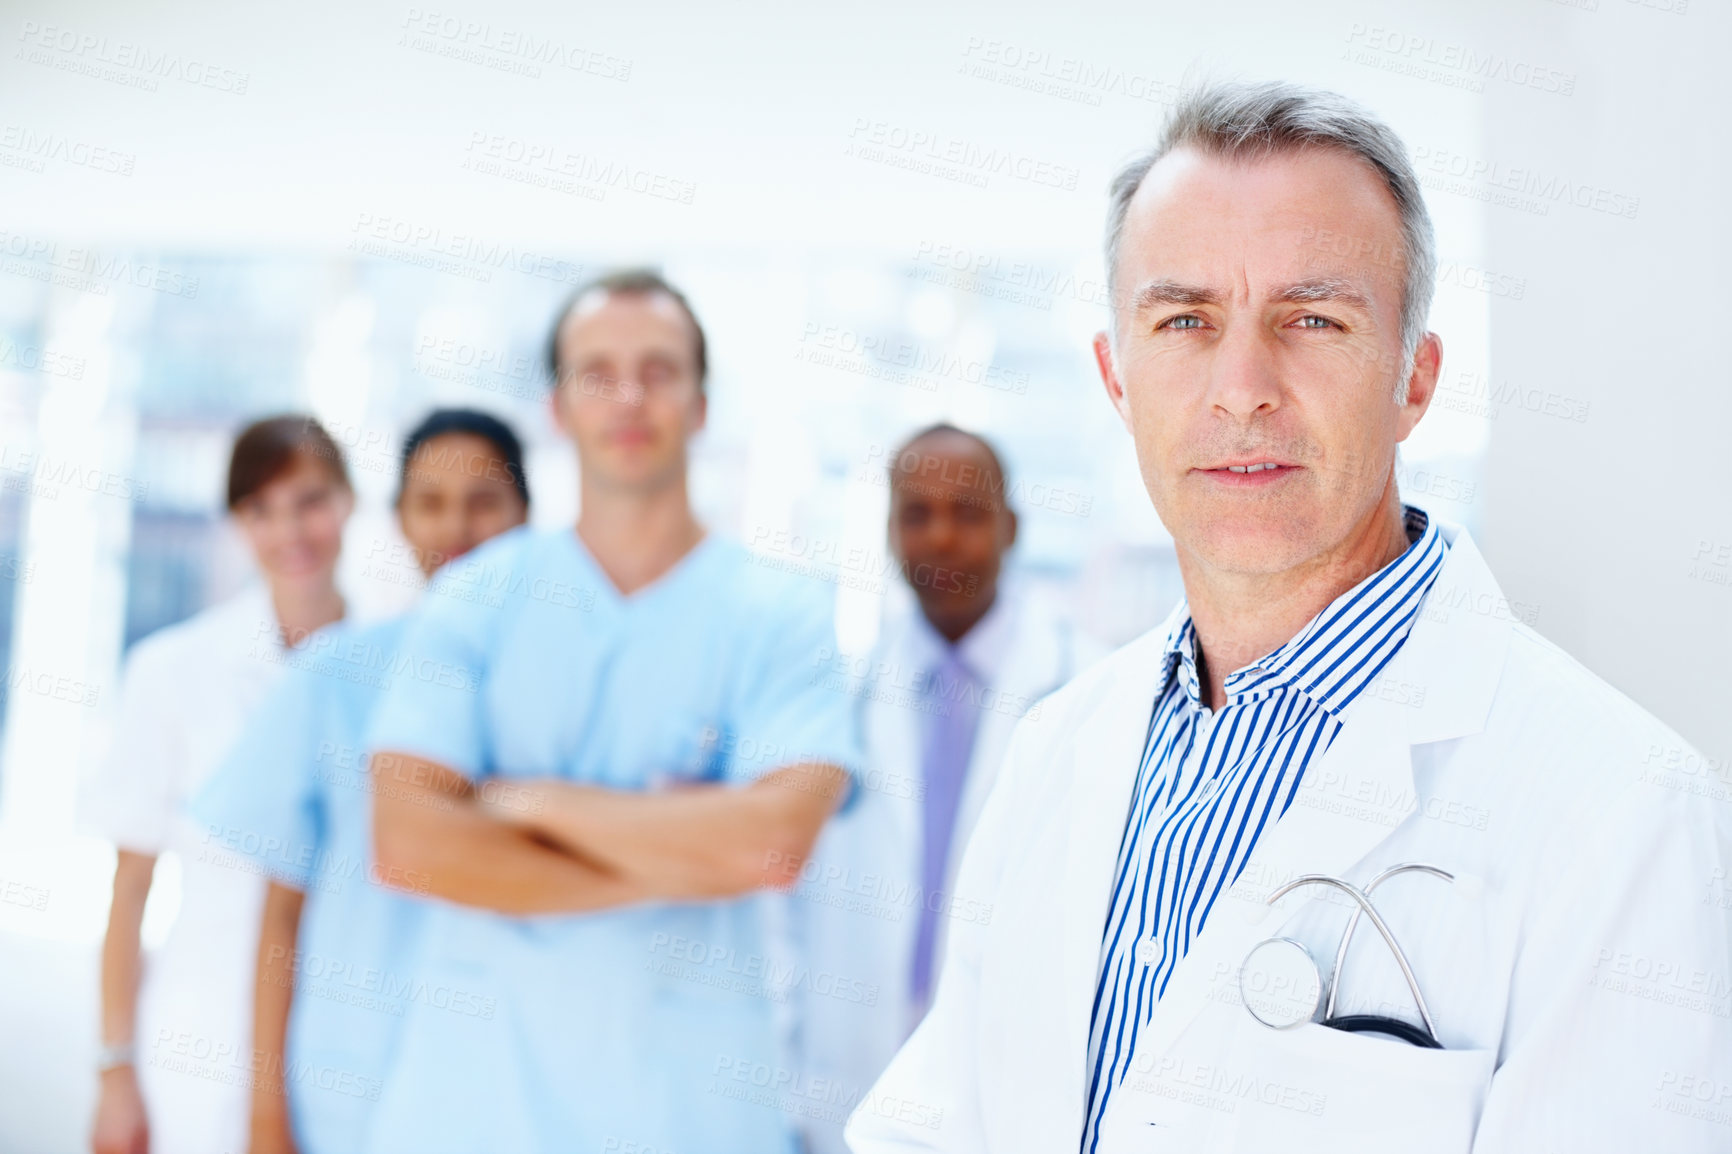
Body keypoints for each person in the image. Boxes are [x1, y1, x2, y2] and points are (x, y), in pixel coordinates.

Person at [846, 81, 1732, 1154]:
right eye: (1184, 320)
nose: (1241, 387)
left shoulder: (1622, 805)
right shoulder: (1057, 749)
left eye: (1312, 318)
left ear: (1414, 377)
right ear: (1116, 379)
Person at [361, 269, 862, 1154]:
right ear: (558, 407)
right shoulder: (472, 601)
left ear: (701, 405)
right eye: (598, 371)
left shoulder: (780, 612)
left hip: (693, 1120)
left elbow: (772, 847)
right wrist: (687, 852)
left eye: (658, 370)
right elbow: (410, 845)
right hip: (475, 1114)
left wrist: (527, 802)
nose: (629, 394)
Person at [188, 409, 532, 1154]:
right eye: (430, 503)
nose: (457, 530)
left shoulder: (565, 691)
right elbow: (280, 917)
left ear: (525, 515)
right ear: (401, 520)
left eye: (484, 501)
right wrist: (266, 1119)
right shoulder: (336, 676)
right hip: (353, 1085)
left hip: (514, 1095)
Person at [793, 424, 1102, 1154]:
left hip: (1010, 1093)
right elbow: (787, 915)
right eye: (916, 513)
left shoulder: (1086, 696)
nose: (940, 539)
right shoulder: (837, 696)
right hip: (849, 1082)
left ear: (1011, 528)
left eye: (967, 513)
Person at [89, 416, 355, 1154]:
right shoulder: (173, 670)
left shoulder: (393, 665)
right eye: (261, 511)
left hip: (346, 1043)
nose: (290, 532)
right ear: (238, 524)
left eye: (310, 501)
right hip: (202, 1047)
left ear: (349, 501)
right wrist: (115, 1074)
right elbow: (129, 892)